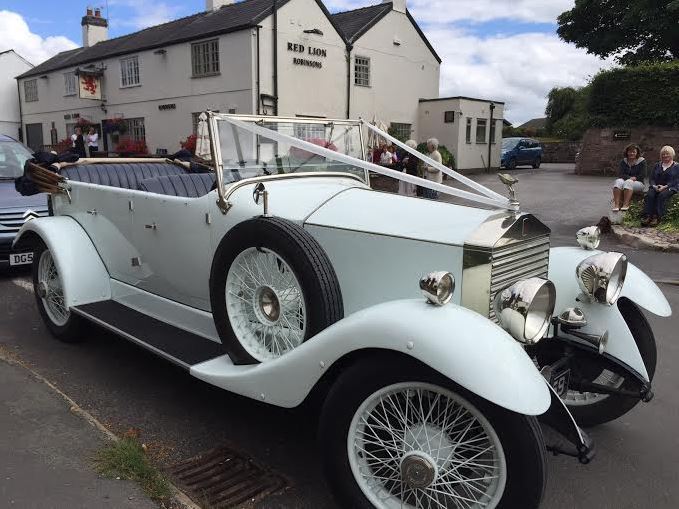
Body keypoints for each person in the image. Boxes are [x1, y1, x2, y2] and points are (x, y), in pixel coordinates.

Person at [641, 145, 679, 227]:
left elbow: (676, 180)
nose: (665, 156)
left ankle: (656, 217)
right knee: (650, 195)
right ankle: (647, 216)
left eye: (667, 154)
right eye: (663, 154)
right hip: (656, 186)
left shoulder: (677, 166)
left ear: (672, 154)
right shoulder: (657, 165)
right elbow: (651, 179)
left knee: (662, 195)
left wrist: (665, 187)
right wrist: (654, 186)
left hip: (670, 187)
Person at [612, 143, 646, 211]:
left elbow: (643, 174)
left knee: (628, 182)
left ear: (637, 153)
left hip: (639, 183)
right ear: (627, 152)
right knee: (618, 181)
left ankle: (625, 204)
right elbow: (621, 174)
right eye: (630, 151)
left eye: (634, 152)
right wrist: (629, 178)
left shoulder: (642, 161)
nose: (631, 153)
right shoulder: (623, 161)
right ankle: (616, 205)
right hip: (626, 180)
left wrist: (634, 178)